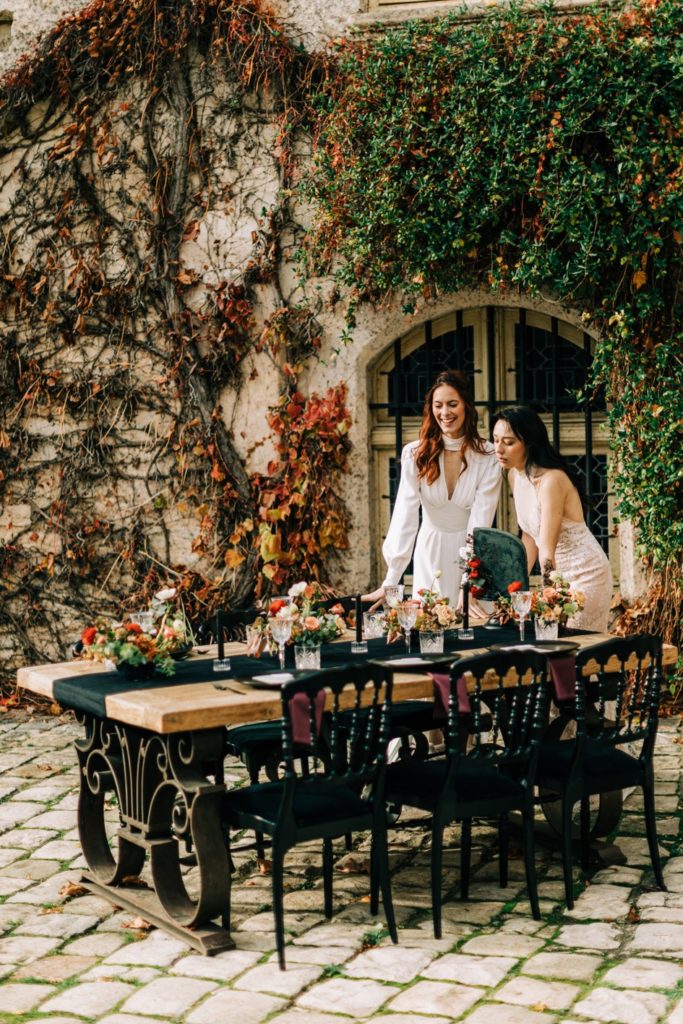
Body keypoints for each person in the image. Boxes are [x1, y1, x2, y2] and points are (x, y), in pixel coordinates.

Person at [365, 370, 501, 610]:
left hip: (472, 557)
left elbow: (480, 524)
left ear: (467, 406)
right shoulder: (415, 454)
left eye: (452, 404)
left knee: (473, 633)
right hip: (430, 552)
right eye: (438, 405)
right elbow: (404, 517)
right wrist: (391, 580)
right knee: (431, 629)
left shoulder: (488, 456)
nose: (445, 412)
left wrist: (468, 583)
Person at [492, 405, 612, 632]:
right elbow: (529, 536)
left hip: (586, 574)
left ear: (529, 443)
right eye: (496, 440)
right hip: (558, 574)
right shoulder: (514, 476)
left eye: (508, 442)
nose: (499, 449)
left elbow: (546, 550)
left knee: (571, 649)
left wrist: (550, 601)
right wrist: (514, 589)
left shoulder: (551, 481)